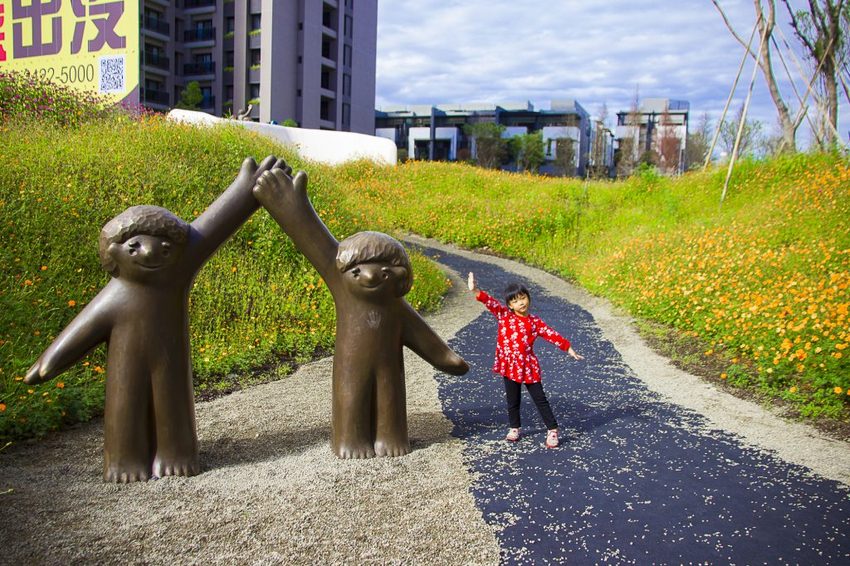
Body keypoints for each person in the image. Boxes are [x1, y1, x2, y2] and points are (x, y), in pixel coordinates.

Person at [467, 272, 583, 448]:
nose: (520, 303)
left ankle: (552, 430)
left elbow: (551, 334)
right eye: (515, 301)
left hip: (527, 366)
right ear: (509, 305)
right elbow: (489, 302)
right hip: (509, 365)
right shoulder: (504, 316)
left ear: (528, 298)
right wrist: (475, 289)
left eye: (522, 298)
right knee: (512, 400)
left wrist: (568, 348)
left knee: (540, 399)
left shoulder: (534, 322)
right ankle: (515, 428)